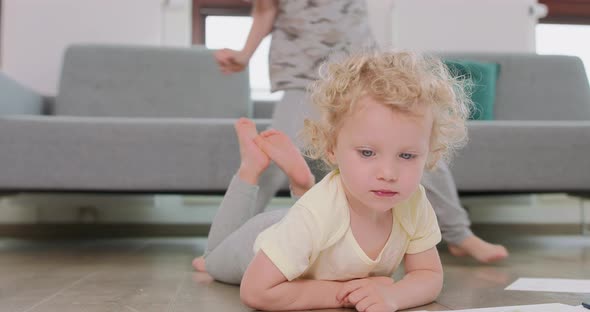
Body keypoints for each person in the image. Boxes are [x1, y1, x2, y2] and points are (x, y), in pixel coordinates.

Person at [212, 0, 507, 264]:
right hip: (301, 70)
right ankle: (229, 246)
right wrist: (244, 54)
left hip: (360, 66)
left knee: (414, 147)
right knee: (274, 154)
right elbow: (266, 8)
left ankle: (458, 234)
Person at [195, 51, 470, 311]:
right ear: (331, 148)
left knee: (318, 217)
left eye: (407, 155)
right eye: (367, 153)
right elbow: (256, 291)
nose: (388, 173)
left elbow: (428, 274)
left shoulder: (414, 202)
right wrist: (346, 294)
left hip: (309, 229)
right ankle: (250, 168)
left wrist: (392, 296)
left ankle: (304, 187)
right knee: (210, 261)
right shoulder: (315, 215)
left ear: (430, 155)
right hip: (259, 240)